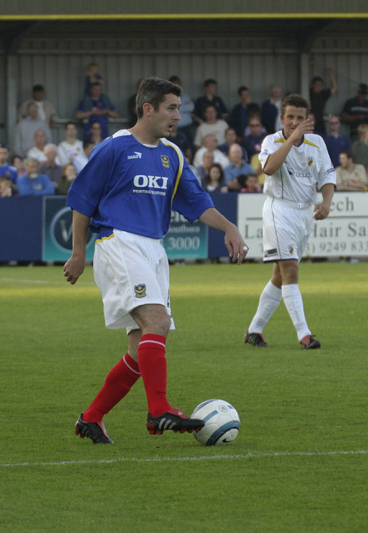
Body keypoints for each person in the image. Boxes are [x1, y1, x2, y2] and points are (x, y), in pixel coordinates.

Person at [63, 77, 248, 444]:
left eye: (179, 108)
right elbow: (82, 200)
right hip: (119, 241)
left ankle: (92, 417)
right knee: (157, 321)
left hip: (153, 249)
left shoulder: (172, 155)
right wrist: (78, 252)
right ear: (148, 108)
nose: (178, 116)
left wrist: (229, 228)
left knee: (139, 347)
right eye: (171, 108)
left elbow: (197, 204)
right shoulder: (114, 148)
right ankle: (158, 410)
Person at [244, 93, 335, 350]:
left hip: (305, 213)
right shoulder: (272, 141)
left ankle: (254, 330)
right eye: (290, 117)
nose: (295, 122)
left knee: (279, 276)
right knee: (291, 271)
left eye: (300, 118)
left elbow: (327, 176)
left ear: (308, 120)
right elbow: (269, 168)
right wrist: (292, 139)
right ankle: (304, 335)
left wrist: (326, 202)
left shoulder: (317, 143)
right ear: (282, 118)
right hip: (279, 210)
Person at [309, 67, 338, 135]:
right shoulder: (308, 93)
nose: (318, 86)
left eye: (320, 85)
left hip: (319, 121)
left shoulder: (323, 94)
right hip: (309, 121)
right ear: (313, 85)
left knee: (322, 138)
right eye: (316, 84)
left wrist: (330, 73)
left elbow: (335, 88)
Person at [168, 76, 195, 141]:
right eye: (175, 84)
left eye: (178, 84)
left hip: (186, 127)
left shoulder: (185, 96)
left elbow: (191, 107)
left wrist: (176, 107)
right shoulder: (167, 98)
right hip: (173, 129)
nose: (177, 86)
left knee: (188, 147)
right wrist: (183, 106)